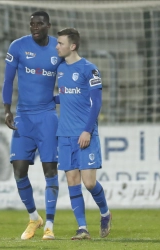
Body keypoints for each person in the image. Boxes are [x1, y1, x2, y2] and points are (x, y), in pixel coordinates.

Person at [2, 11, 61, 240]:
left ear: (48, 25)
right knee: (18, 169)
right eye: (32, 24)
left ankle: (50, 225)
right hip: (23, 117)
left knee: (50, 171)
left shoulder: (58, 49)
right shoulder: (17, 46)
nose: (34, 27)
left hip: (47, 117)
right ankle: (34, 217)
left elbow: (67, 83)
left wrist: (55, 100)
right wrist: (7, 110)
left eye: (39, 24)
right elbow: (8, 80)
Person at [55, 27, 112, 240]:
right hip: (65, 135)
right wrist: (50, 100)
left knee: (89, 183)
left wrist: (87, 130)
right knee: (72, 181)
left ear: (73, 46)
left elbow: (96, 102)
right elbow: (67, 95)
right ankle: (82, 228)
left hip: (84, 134)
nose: (57, 46)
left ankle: (105, 213)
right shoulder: (60, 68)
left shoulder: (90, 69)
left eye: (60, 43)